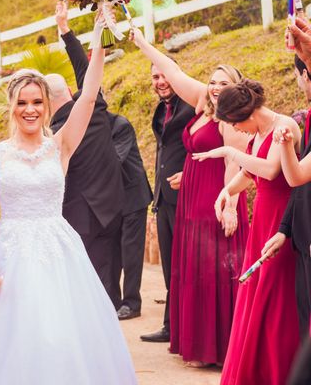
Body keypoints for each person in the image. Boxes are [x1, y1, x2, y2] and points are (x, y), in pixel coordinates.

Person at [0, 11, 137, 384]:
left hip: (58, 251)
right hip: (9, 251)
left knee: (58, 337)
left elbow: (88, 96)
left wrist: (98, 40)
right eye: (22, 103)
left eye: (37, 102)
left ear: (47, 106)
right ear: (12, 107)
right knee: (8, 337)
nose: (31, 109)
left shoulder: (61, 145)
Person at [132, 28, 249, 366]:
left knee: (215, 271)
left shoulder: (232, 117)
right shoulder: (203, 103)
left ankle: (220, 348)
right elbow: (173, 71)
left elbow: (235, 163)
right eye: (213, 81)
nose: (215, 87)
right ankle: (199, 346)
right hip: (190, 198)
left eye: (223, 83)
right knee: (195, 271)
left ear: (236, 90)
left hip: (216, 199)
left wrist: (229, 206)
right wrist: (141, 43)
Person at [192, 79, 300, 384]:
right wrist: (226, 191)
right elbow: (250, 174)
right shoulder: (257, 133)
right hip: (261, 219)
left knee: (275, 298)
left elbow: (270, 169)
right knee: (254, 293)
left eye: (234, 125)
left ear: (247, 114)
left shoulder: (284, 125)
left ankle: (277, 371)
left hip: (283, 219)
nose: (236, 132)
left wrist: (228, 150)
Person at [46, 0, 125, 308]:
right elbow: (86, 69)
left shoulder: (52, 136)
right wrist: (66, 31)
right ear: (69, 89)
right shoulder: (94, 109)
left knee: (81, 282)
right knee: (107, 277)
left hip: (77, 215)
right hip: (112, 205)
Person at [140, 61, 195, 342]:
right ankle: (171, 326)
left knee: (186, 265)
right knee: (169, 266)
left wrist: (190, 174)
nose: (160, 81)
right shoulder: (162, 108)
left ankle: (184, 326)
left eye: (164, 75)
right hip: (163, 198)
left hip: (188, 195)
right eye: (155, 77)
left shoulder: (193, 106)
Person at [261, 55, 311, 339]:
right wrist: (285, 230)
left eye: (297, 74)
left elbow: (296, 176)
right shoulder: (308, 116)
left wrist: (285, 145)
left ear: (305, 75)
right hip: (302, 236)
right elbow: (301, 187)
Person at [107, 111, 153, 320]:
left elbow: (114, 160)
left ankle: (132, 303)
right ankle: (112, 301)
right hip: (111, 200)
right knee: (111, 252)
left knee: (131, 253)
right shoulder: (86, 128)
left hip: (133, 196)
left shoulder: (120, 125)